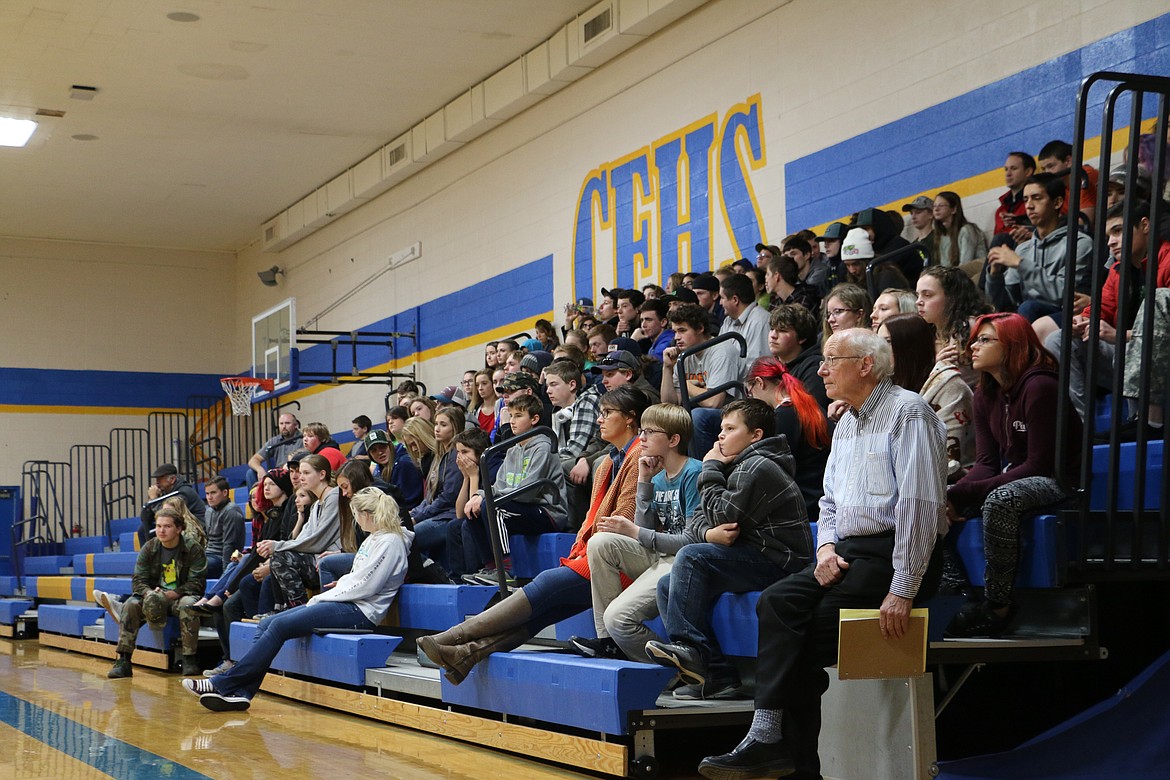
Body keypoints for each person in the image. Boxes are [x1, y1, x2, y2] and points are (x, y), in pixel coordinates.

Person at [697, 328, 947, 780]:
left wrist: (903, 588)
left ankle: (787, 757)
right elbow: (828, 503)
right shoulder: (847, 421)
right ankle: (769, 739)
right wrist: (827, 546)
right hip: (847, 554)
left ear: (866, 365)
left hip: (894, 558)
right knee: (776, 601)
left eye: (833, 360)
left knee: (804, 639)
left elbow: (920, 506)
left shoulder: (909, 413)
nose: (822, 370)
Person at [417, 386, 650, 685]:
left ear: (631, 419)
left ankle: (451, 637)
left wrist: (586, 550)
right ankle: (466, 655)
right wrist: (581, 548)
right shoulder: (605, 462)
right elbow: (590, 519)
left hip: (618, 559)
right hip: (593, 554)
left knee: (546, 584)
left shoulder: (639, 456)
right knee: (542, 612)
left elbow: (624, 519)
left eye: (607, 413)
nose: (599, 419)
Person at [183, 487, 411, 712]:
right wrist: (340, 587)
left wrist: (329, 594)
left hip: (360, 612)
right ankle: (241, 693)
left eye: (356, 515)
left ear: (367, 515)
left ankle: (223, 684)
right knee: (266, 624)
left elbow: (367, 584)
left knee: (280, 625)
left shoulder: (391, 542)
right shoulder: (375, 538)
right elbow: (358, 577)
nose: (356, 521)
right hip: (347, 602)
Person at [646, 399, 812, 700]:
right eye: (721, 428)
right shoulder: (736, 464)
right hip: (750, 554)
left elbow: (724, 514)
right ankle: (719, 674)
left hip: (780, 561)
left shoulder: (758, 466)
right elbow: (697, 520)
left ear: (756, 435)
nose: (720, 435)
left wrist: (709, 468)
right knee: (667, 586)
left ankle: (689, 649)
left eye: (730, 428)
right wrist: (709, 533)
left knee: (692, 557)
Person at [945, 313, 1082, 637]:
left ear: (1011, 346)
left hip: (1059, 480)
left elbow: (1038, 466)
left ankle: (998, 605)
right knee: (930, 498)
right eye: (975, 339)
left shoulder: (1041, 386)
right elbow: (986, 464)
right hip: (1018, 473)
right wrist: (950, 494)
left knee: (1000, 500)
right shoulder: (985, 394)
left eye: (984, 340)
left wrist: (964, 493)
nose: (973, 347)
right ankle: (954, 594)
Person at [570, 403, 701, 662]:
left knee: (617, 618)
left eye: (650, 432)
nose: (641, 438)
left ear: (674, 439)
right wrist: (644, 481)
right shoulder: (658, 476)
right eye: (642, 431)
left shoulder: (694, 473)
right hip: (661, 554)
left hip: (683, 560)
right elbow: (647, 527)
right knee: (600, 542)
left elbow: (692, 541)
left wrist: (634, 531)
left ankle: (676, 670)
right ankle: (607, 642)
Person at [1044, 199, 1170, 421]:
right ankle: (1080, 427)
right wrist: (1081, 322)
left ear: (1145, 225)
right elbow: (1100, 308)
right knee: (1058, 339)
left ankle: (1141, 423)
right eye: (1108, 236)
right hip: (1123, 353)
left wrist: (1122, 336)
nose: (1111, 242)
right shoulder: (1117, 271)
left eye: (1118, 231)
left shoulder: (1167, 260)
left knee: (1129, 350)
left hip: (1159, 359)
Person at [461, 394, 568, 577]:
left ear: (534, 419)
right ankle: (492, 567)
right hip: (520, 507)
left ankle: (506, 570)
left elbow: (528, 493)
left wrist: (488, 498)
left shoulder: (543, 447)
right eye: (510, 416)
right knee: (473, 512)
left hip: (546, 511)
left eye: (518, 416)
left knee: (493, 507)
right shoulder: (512, 449)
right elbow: (497, 485)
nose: (512, 421)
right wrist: (478, 495)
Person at [986, 173, 1095, 343]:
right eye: (1026, 199)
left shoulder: (1079, 243)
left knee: (1028, 307)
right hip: (1027, 315)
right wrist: (995, 275)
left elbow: (1067, 295)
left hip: (1063, 315)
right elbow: (1005, 304)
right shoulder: (1023, 248)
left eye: (1036, 198)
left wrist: (1021, 264)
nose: (1029, 206)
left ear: (1057, 202)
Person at [102, 504, 207, 679]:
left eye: (167, 526)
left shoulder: (193, 548)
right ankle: (124, 660)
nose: (161, 531)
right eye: (158, 526)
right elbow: (138, 580)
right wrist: (149, 593)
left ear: (179, 528)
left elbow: (197, 583)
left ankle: (189, 659)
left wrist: (172, 594)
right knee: (131, 604)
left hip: (179, 597)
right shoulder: (150, 547)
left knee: (189, 605)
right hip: (152, 595)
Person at [743, 358, 831, 519]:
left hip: (804, 504)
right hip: (819, 496)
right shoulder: (807, 404)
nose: (752, 399)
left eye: (750, 393)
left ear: (759, 382)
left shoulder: (784, 415)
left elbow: (775, 473)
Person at [259, 453, 341, 613]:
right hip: (318, 559)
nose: (300, 477)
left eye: (306, 473)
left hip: (332, 559)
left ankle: (300, 611)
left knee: (281, 557)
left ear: (322, 474)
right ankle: (295, 609)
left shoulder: (335, 496)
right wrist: (278, 547)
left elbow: (318, 540)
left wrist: (277, 546)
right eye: (299, 473)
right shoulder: (317, 504)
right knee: (279, 557)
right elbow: (303, 538)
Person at [916, 265, 993, 386]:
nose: (918, 301)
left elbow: (955, 384)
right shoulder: (929, 332)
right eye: (918, 295)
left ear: (951, 298)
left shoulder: (965, 326)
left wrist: (937, 369)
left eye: (927, 295)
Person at [409, 407, 466, 569]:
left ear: (454, 427)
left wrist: (418, 517)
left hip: (449, 516)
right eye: (436, 424)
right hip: (438, 514)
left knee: (406, 539)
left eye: (443, 425)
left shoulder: (456, 454)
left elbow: (448, 497)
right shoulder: (441, 455)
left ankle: (433, 573)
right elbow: (430, 497)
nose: (437, 429)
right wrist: (414, 513)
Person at [767, 304, 827, 410]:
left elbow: (812, 413)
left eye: (782, 330)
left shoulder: (814, 368)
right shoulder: (771, 367)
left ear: (802, 338)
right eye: (772, 329)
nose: (773, 335)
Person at [137, 463, 207, 545]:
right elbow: (144, 518)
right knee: (143, 529)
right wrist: (151, 501)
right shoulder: (164, 492)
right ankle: (149, 556)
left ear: (172, 479)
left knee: (162, 529)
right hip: (177, 523)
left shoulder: (183, 492)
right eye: (156, 479)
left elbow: (169, 515)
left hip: (193, 526)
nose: (157, 482)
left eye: (160, 479)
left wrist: (154, 499)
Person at [930, 191, 988, 279]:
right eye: (934, 206)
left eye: (941, 206)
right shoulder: (941, 236)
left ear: (953, 209)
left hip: (977, 274)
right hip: (955, 277)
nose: (936, 209)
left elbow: (965, 265)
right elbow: (944, 266)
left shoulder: (967, 230)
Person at [362, 429, 424, 511]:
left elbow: (410, 502)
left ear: (390, 445)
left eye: (382, 447)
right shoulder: (378, 469)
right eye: (374, 450)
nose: (379, 452)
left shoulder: (404, 463)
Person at [201, 476, 245, 579]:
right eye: (207, 494)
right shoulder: (208, 511)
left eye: (213, 493)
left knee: (195, 567)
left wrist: (226, 574)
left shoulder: (231, 511)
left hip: (221, 558)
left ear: (225, 493)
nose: (209, 497)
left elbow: (229, 545)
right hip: (208, 554)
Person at [719, 273, 770, 359]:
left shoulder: (760, 321)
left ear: (735, 300)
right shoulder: (728, 320)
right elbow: (719, 354)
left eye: (722, 298)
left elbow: (756, 365)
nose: (720, 303)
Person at [994, 151, 1037, 240]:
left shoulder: (1037, 202)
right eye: (1006, 169)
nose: (1008, 174)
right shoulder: (1000, 211)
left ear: (1028, 171)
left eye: (1013, 168)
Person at [248, 413, 302, 480]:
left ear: (295, 425)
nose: (284, 426)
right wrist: (260, 470)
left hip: (293, 472)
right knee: (250, 473)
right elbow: (253, 460)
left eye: (287, 423)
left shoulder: (302, 439)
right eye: (281, 424)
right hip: (277, 474)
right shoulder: (274, 441)